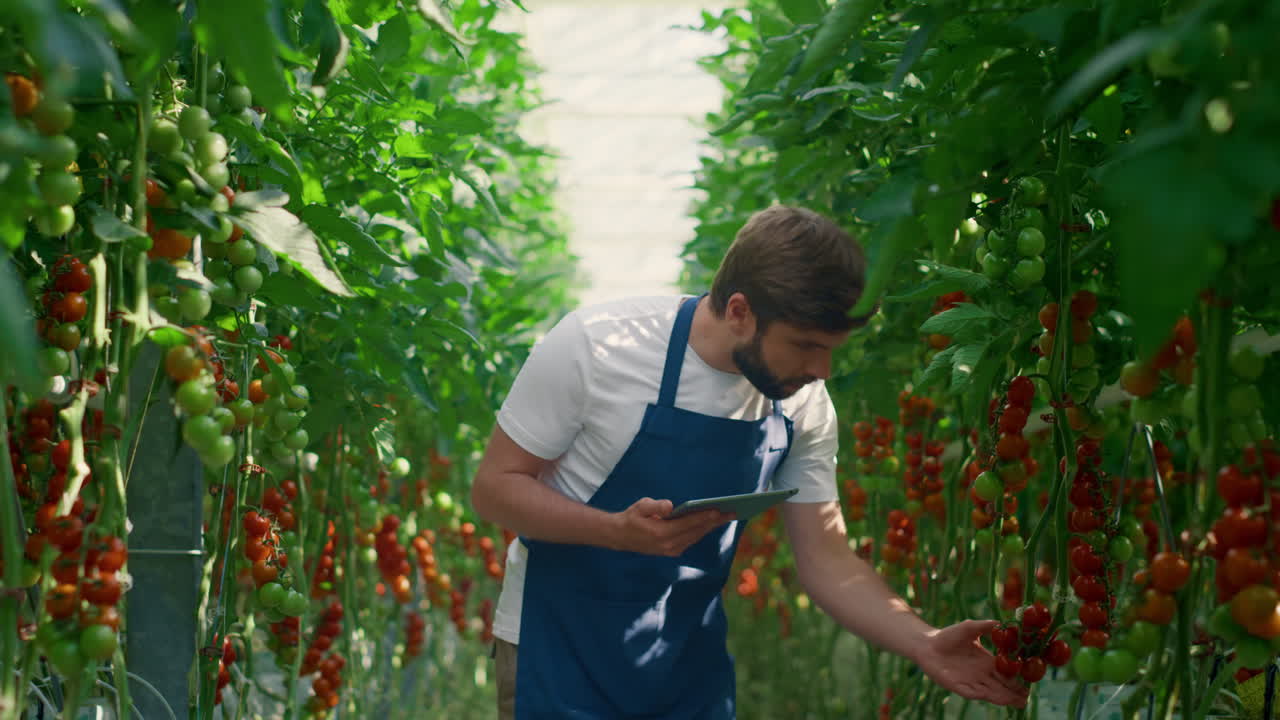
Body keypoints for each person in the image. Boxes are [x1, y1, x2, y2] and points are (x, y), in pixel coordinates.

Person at [470, 205, 1029, 719]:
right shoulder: (598, 348)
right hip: (556, 648)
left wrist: (923, 641)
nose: (824, 369)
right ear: (740, 311)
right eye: (807, 345)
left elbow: (827, 556)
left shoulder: (802, 402)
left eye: (833, 349)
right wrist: (614, 531)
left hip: (688, 664)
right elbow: (495, 487)